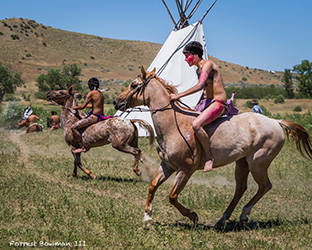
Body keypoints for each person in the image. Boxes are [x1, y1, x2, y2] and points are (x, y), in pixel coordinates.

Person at [169, 41, 227, 172]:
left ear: (195, 55)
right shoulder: (198, 70)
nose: (185, 59)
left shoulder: (208, 65)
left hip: (218, 102)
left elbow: (200, 85)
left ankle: (208, 157)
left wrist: (178, 96)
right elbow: (205, 90)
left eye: (187, 56)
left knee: (196, 125)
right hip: (207, 102)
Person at [71, 77, 105, 154]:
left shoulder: (91, 93)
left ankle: (81, 147)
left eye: (89, 85)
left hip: (94, 117)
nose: (88, 87)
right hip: (100, 115)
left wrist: (76, 107)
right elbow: (96, 106)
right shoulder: (100, 93)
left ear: (91, 85)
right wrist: (87, 106)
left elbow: (82, 107)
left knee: (73, 127)